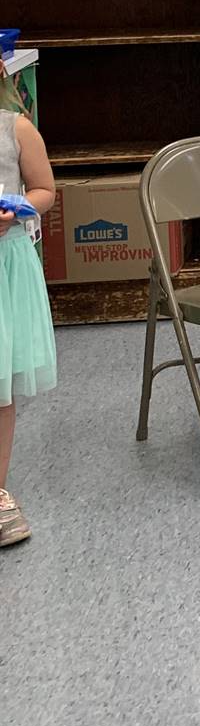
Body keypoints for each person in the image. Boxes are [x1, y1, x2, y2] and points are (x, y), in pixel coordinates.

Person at [0, 81, 58, 547]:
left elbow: (44, 191)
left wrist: (15, 209)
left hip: (5, 267)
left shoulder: (16, 129)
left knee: (0, 387)